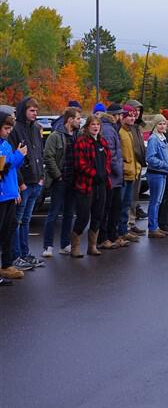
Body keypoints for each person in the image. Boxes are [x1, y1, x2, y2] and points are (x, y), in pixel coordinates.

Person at [9, 97, 45, 270]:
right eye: (32, 110)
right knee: (17, 221)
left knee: (26, 220)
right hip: (23, 184)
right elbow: (13, 160)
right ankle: (15, 255)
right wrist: (20, 182)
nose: (35, 113)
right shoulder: (15, 130)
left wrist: (41, 176)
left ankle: (25, 253)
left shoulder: (36, 129)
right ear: (24, 110)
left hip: (35, 181)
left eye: (36, 111)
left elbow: (39, 153)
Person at [42, 106, 82, 257]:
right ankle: (48, 246)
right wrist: (58, 176)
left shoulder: (78, 135)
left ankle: (65, 244)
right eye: (78, 118)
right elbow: (48, 157)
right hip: (60, 180)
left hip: (73, 180)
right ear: (70, 119)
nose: (79, 121)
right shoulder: (56, 136)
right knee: (53, 213)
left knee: (69, 214)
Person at [71, 116, 111, 258]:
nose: (95, 127)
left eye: (98, 124)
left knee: (98, 216)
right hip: (85, 186)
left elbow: (108, 160)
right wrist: (94, 173)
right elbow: (80, 164)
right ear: (87, 127)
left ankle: (92, 246)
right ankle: (75, 247)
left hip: (101, 185)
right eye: (92, 124)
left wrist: (105, 172)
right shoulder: (81, 142)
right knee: (83, 217)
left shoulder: (102, 142)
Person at [0, 113, 28, 283]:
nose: (8, 132)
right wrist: (17, 155)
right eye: (5, 128)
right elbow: (2, 166)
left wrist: (16, 190)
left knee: (8, 231)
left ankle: (7, 264)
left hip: (9, 194)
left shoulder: (6, 144)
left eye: (10, 128)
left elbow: (12, 170)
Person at [97, 105, 126, 249]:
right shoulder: (108, 129)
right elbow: (111, 154)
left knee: (115, 207)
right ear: (115, 115)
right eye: (121, 114)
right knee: (107, 208)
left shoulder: (112, 128)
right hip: (111, 177)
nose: (122, 117)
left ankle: (113, 235)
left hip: (115, 177)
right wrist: (119, 172)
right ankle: (103, 238)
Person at [145, 114, 168, 239]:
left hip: (163, 174)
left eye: (164, 123)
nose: (163, 126)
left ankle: (156, 226)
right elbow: (150, 158)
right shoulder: (154, 139)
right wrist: (164, 165)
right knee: (155, 202)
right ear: (155, 125)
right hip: (156, 174)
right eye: (160, 124)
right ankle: (152, 228)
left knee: (158, 201)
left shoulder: (163, 137)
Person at [118, 106, 143, 244]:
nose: (133, 118)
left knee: (127, 204)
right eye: (130, 116)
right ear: (123, 117)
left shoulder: (130, 132)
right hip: (124, 174)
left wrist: (137, 167)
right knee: (121, 205)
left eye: (134, 116)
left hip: (132, 173)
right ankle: (119, 232)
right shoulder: (121, 132)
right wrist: (124, 167)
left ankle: (124, 231)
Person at [125, 99, 148, 226]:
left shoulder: (137, 126)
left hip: (138, 166)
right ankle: (128, 224)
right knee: (129, 198)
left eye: (139, 111)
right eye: (135, 110)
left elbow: (140, 146)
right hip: (130, 166)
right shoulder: (128, 128)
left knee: (134, 196)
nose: (137, 113)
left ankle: (132, 222)